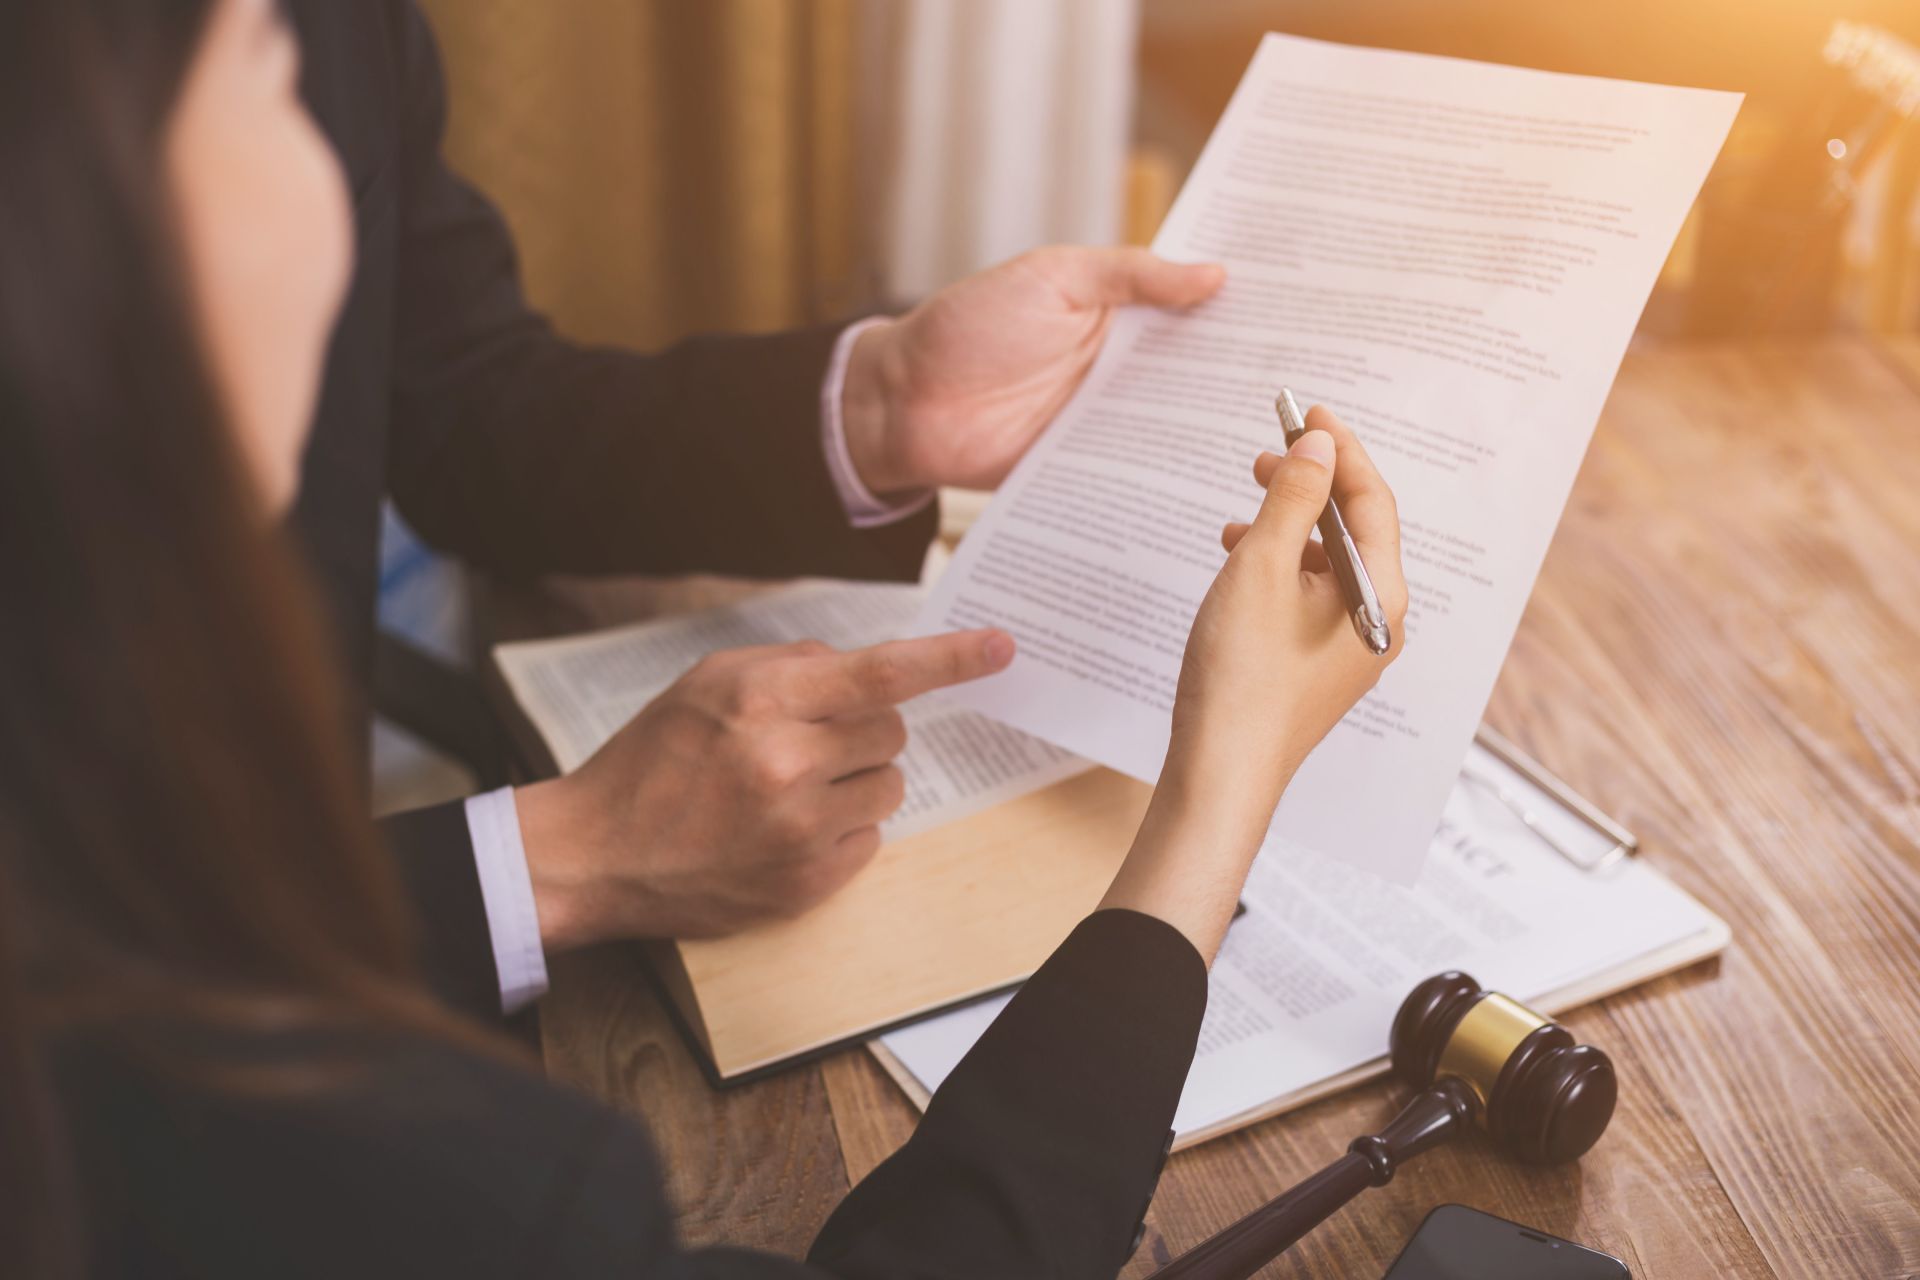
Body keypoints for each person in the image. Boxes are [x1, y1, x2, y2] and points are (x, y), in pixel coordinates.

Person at [0, 0, 1406, 1275]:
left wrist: (878, 406)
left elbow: (449, 398)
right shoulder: (450, 1191)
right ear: (76, 225)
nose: (324, 160)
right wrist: (1213, 810)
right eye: (260, 70)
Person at [285, 0, 1239, 1026]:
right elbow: (92, 956)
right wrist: (558, 855)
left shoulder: (339, 23)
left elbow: (459, 407)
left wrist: (882, 402)